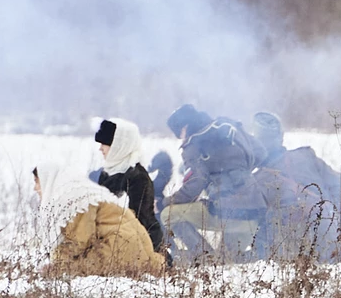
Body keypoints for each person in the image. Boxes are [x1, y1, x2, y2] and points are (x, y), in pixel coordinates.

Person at [163, 104, 267, 262]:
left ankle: (204, 256)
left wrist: (166, 202)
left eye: (178, 134)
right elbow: (261, 152)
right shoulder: (229, 127)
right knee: (227, 262)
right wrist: (239, 172)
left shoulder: (194, 143)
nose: (181, 138)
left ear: (184, 127)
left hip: (226, 212)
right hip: (254, 210)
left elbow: (196, 183)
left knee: (168, 214)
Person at [250, 111, 341, 260]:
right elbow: (340, 186)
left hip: (297, 253)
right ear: (281, 137)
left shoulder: (257, 181)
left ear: (256, 143)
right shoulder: (306, 156)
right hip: (336, 242)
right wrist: (331, 214)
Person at [33, 165, 162, 277]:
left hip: (118, 249)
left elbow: (79, 241)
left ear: (47, 180)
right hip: (137, 250)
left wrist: (57, 265)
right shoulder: (85, 192)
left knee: (74, 268)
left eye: (37, 182)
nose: (35, 188)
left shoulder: (76, 200)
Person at [91, 118, 164, 253]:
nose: (100, 148)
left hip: (141, 247)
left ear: (119, 145)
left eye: (105, 143)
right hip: (111, 241)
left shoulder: (137, 177)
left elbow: (139, 221)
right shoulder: (108, 173)